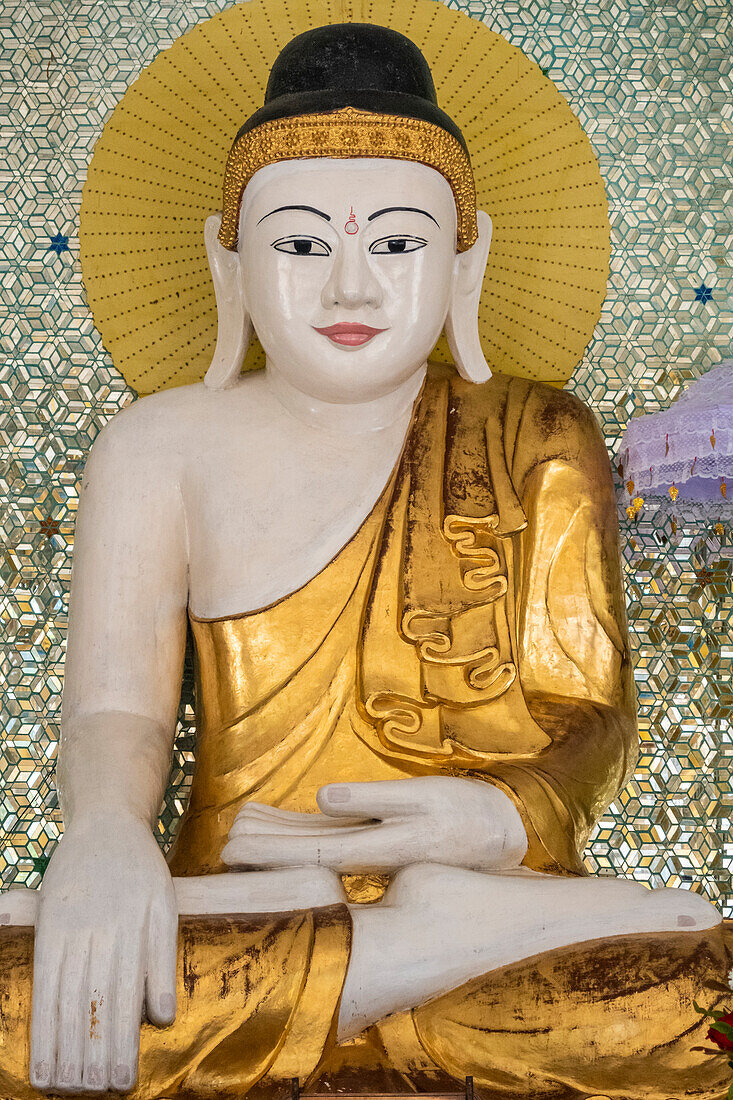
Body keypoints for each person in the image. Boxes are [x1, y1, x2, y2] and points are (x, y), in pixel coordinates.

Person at [0, 21, 729, 1100]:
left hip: (497, 902)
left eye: (396, 244)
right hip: (235, 906)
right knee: (33, 992)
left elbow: (589, 711)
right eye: (300, 245)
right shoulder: (159, 446)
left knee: (703, 1000)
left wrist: (503, 814)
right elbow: (120, 710)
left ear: (463, 259)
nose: (350, 287)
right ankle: (401, 951)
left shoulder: (536, 435)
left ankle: (415, 944)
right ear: (229, 259)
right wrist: (106, 837)